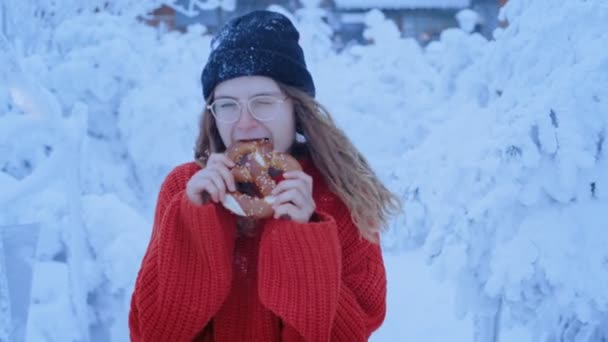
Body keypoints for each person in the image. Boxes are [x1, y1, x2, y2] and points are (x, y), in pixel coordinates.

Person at [129, 10, 401, 342]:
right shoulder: (183, 190)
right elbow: (152, 333)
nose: (244, 123)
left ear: (296, 109)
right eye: (227, 105)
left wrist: (303, 241)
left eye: (263, 102)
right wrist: (193, 225)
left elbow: (351, 334)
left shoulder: (341, 195)